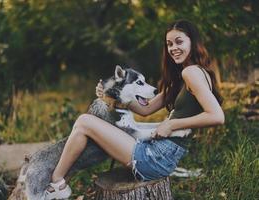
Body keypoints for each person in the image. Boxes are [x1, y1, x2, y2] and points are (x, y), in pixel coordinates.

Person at [44, 19, 225, 200]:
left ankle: (56, 183)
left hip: (155, 158)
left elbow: (217, 116)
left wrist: (172, 125)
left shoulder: (191, 72)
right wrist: (111, 94)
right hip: (157, 153)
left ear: (192, 42)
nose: (173, 48)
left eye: (179, 41)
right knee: (84, 126)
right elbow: (145, 109)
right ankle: (59, 182)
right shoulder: (184, 76)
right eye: (169, 44)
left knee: (84, 122)